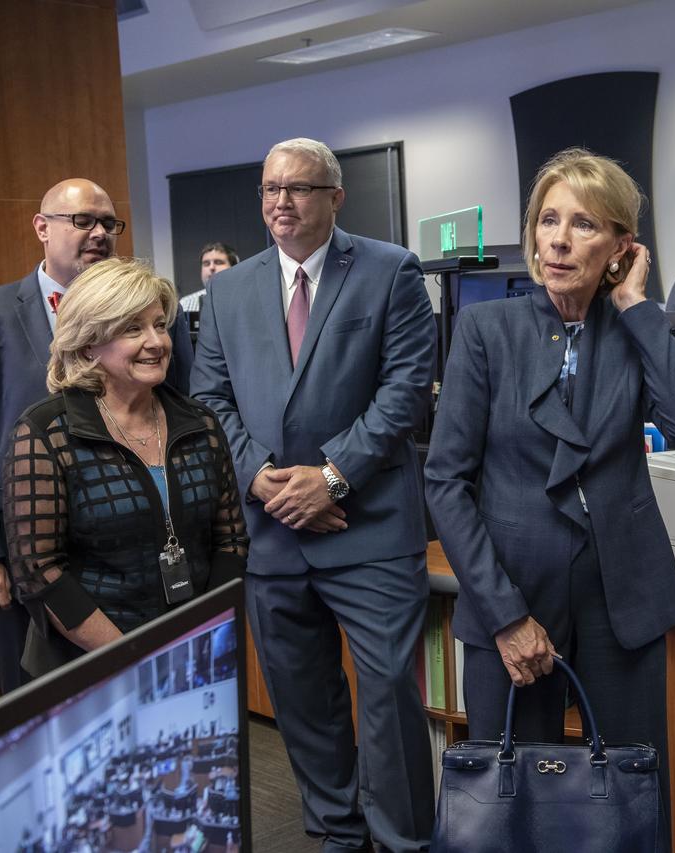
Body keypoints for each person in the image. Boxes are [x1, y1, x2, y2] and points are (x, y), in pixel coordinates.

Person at [424, 148, 675, 850]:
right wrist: (505, 615)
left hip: (622, 601)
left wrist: (637, 305)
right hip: (512, 597)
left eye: (583, 224)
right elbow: (446, 481)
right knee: (510, 811)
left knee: (627, 805)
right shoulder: (488, 330)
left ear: (620, 247)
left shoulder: (631, 328)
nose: (558, 239)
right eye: (547, 220)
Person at [191, 137, 436, 852]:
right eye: (270, 188)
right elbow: (209, 399)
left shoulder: (390, 270)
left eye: (298, 188)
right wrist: (259, 478)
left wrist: (330, 476)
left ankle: (404, 840)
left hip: (369, 529)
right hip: (273, 532)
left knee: (388, 694)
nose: (281, 202)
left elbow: (405, 392)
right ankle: (337, 830)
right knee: (302, 699)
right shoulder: (229, 290)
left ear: (336, 197)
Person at [0, 179, 194, 693]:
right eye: (82, 221)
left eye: (108, 223)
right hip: (24, 555)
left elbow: (176, 415)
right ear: (41, 228)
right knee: (38, 707)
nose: (99, 233)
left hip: (134, 550)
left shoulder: (158, 319)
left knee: (144, 695)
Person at [2, 258, 247, 677]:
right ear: (87, 344)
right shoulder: (47, 432)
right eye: (133, 329)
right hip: (90, 664)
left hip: (197, 654)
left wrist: (202, 640)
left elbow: (231, 541)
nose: (156, 342)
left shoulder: (200, 423)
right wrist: (136, 660)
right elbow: (39, 570)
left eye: (159, 325)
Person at [180, 242, 240, 314]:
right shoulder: (185, 304)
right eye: (206, 263)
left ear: (234, 268)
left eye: (218, 262)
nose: (211, 267)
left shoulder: (246, 300)